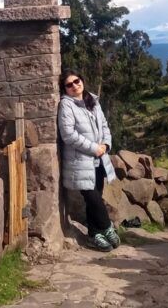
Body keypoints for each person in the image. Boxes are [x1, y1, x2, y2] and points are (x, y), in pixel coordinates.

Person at [57, 68, 120, 252]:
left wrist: (106, 145)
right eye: (69, 84)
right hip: (81, 162)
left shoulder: (93, 100)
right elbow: (68, 135)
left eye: (77, 81)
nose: (75, 86)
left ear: (82, 80)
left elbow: (105, 126)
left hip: (99, 160)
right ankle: (107, 227)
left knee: (96, 197)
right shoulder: (66, 106)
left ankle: (94, 234)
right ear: (65, 89)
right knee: (93, 198)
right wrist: (94, 148)